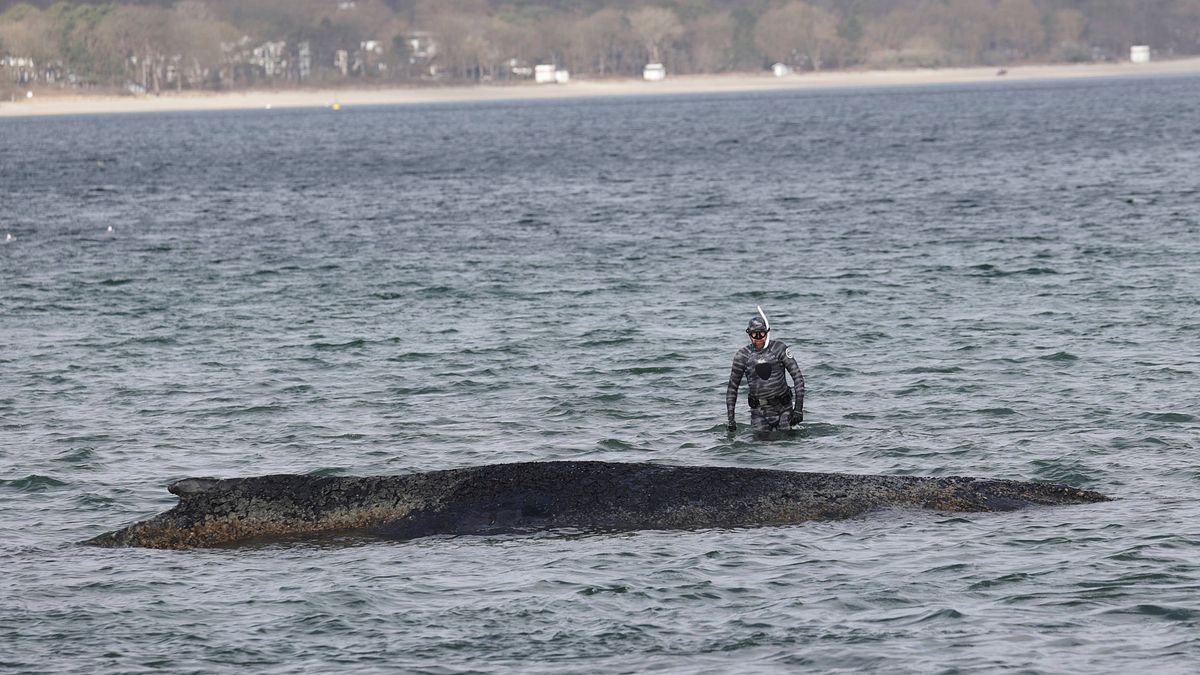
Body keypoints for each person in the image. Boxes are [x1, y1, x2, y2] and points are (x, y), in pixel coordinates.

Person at [726, 312, 804, 434]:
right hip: (759, 412)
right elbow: (732, 388)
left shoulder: (779, 349)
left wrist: (798, 409)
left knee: (788, 440)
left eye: (761, 333)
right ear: (749, 334)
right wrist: (731, 419)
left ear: (767, 332)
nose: (758, 338)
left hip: (784, 409)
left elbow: (798, 377)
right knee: (759, 443)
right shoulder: (742, 356)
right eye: (754, 334)